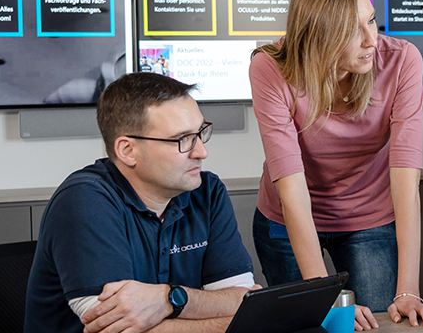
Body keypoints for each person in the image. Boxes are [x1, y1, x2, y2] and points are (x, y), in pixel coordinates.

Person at [249, 0, 423, 330]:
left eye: (371, 20)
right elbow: (292, 191)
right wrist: (324, 300)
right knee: (308, 325)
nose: (372, 40)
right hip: (287, 218)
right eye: (353, 31)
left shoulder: (401, 60)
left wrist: (408, 291)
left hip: (368, 216)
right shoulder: (270, 67)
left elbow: (406, 183)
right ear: (318, 36)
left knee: (376, 322)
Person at [25, 73, 257, 333]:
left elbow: (241, 301)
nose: (202, 151)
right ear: (128, 151)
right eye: (182, 139)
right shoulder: (84, 200)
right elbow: (117, 329)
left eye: (200, 133)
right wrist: (225, 322)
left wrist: (168, 299)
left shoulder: (206, 191)